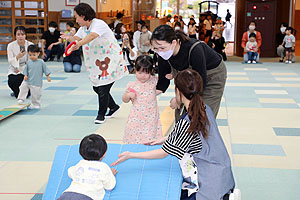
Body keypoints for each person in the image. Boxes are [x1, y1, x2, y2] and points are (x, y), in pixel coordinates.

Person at [112, 69, 240, 200]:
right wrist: (167, 138)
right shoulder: (204, 108)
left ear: (178, 91)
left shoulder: (186, 122)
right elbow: (194, 135)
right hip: (224, 176)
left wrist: (131, 155)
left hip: (207, 185)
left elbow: (163, 153)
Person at [61, 3, 127, 124]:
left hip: (110, 60)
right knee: (97, 87)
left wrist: (79, 44)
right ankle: (113, 107)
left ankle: (100, 115)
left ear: (83, 15)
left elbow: (92, 36)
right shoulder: (83, 28)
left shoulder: (98, 24)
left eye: (77, 17)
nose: (76, 20)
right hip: (98, 63)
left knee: (102, 87)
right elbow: (77, 39)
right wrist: (68, 38)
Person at [151, 25, 227, 118]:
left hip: (211, 76)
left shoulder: (195, 49)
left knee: (202, 115)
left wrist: (179, 99)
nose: (159, 51)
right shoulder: (162, 53)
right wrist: (147, 94)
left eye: (162, 48)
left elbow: (200, 83)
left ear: (174, 42)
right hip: (188, 78)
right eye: (155, 48)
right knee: (181, 116)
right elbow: (163, 82)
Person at [58, 134, 117, 200]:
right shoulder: (104, 167)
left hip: (67, 195)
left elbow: (70, 172)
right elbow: (110, 186)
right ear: (104, 154)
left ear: (81, 152)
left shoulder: (80, 164)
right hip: (87, 197)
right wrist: (111, 174)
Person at [122, 55, 162, 144]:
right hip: (136, 118)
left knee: (150, 138)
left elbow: (164, 82)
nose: (143, 76)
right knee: (134, 137)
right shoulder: (132, 85)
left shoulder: (154, 81)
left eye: (146, 73)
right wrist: (128, 95)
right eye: (139, 73)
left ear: (151, 71)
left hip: (151, 118)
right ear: (135, 70)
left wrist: (169, 76)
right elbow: (124, 99)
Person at [17, 45, 51, 109]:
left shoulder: (41, 62)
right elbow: (26, 70)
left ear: (38, 54)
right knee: (22, 87)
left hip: (36, 82)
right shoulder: (29, 62)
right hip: (27, 80)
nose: (32, 57)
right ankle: (21, 98)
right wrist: (25, 75)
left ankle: (36, 104)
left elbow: (45, 70)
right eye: (30, 55)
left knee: (36, 94)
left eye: (34, 55)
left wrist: (48, 77)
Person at [7, 26, 33, 98]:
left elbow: (32, 59)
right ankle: (18, 91)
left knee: (23, 80)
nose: (20, 36)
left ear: (25, 35)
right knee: (12, 81)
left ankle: (26, 91)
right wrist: (18, 57)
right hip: (14, 67)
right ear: (15, 35)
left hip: (27, 67)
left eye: (22, 34)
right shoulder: (10, 46)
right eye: (18, 34)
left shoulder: (30, 45)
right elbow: (10, 60)